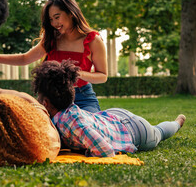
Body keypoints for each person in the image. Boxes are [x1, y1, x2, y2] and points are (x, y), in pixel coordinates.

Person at [31, 60, 186, 157]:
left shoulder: (71, 123)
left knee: (159, 131)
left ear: (45, 102)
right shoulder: (67, 113)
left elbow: (105, 150)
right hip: (113, 117)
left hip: (135, 131)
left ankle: (177, 123)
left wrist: (85, 153)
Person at [0, 0, 107, 113]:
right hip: (52, 99)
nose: (54, 23)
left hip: (83, 98)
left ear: (71, 13)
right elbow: (24, 59)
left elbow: (102, 76)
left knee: (86, 128)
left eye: (57, 17)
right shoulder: (52, 38)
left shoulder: (93, 40)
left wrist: (77, 73)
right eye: (51, 19)